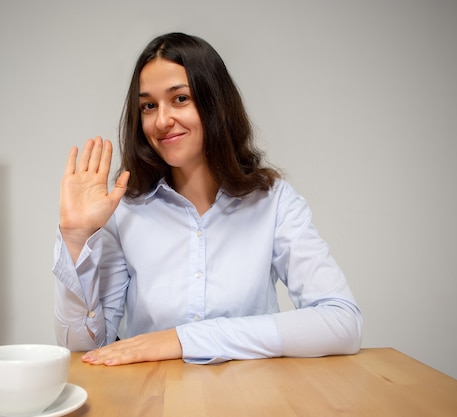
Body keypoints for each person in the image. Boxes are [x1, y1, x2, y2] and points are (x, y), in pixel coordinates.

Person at [53, 32, 362, 366]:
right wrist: (75, 237)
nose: (161, 120)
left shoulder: (274, 202)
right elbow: (86, 348)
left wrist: (182, 340)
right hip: (153, 400)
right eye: (148, 106)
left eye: (180, 99)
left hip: (251, 399)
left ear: (217, 102)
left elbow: (342, 323)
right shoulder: (124, 210)